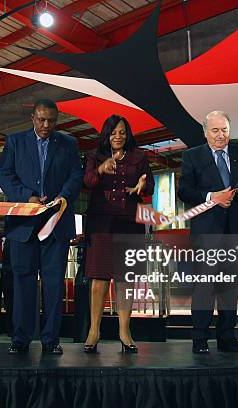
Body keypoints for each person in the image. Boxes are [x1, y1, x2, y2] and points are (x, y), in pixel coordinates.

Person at [0, 99, 83, 355]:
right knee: (23, 283)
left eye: (52, 121)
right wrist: (27, 197)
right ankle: (20, 338)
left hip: (56, 224)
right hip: (23, 225)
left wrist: (64, 197)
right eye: (42, 120)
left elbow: (75, 176)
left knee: (54, 284)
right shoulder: (15, 142)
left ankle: (51, 340)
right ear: (32, 118)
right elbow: (5, 175)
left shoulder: (68, 144)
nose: (46, 125)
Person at [178, 111, 238, 354]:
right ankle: (200, 338)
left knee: (230, 286)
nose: (220, 135)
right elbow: (184, 191)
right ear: (205, 132)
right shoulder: (192, 156)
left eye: (224, 130)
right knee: (204, 286)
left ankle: (227, 337)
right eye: (215, 130)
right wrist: (210, 197)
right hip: (206, 231)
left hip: (236, 231)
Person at [82, 115, 154, 353]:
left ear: (128, 134)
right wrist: (101, 169)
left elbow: (150, 184)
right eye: (114, 132)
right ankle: (94, 330)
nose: (118, 136)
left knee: (126, 278)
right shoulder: (95, 156)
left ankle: (124, 330)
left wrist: (143, 185)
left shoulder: (140, 157)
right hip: (101, 223)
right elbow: (88, 182)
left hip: (129, 223)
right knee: (99, 278)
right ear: (106, 134)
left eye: (122, 132)